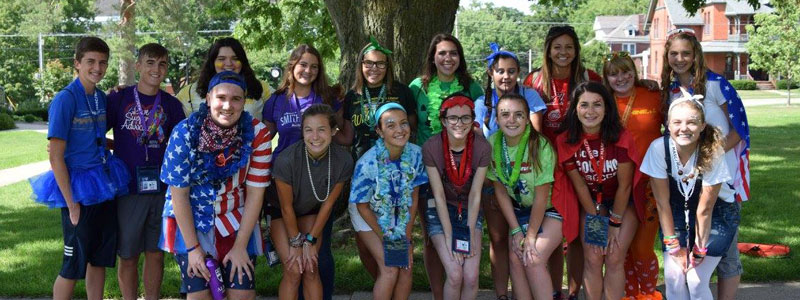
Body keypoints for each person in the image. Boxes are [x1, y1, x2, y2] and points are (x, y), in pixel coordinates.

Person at [30, 36, 130, 300]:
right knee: (73, 265)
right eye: (90, 62)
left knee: (99, 259)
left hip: (104, 184)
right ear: (77, 63)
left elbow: (96, 138)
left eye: (102, 62)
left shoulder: (100, 97)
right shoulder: (65, 99)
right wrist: (71, 204)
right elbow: (56, 157)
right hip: (77, 190)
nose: (97, 68)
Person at [159, 71, 272, 300]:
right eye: (221, 97)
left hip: (236, 219)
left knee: (242, 295)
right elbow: (179, 196)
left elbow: (255, 194)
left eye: (236, 99)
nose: (228, 106)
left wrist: (240, 247)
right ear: (208, 98)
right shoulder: (184, 132)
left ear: (244, 101)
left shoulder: (258, 133)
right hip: (191, 221)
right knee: (200, 296)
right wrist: (193, 249)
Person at [660, 28, 750, 300]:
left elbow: (739, 130)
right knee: (695, 248)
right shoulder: (670, 91)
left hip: (722, 176)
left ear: (696, 55)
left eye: (686, 53)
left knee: (726, 252)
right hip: (686, 180)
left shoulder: (716, 84)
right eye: (674, 53)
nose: (680, 59)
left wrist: (709, 158)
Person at [522, 26, 601, 299]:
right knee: (553, 233)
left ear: (576, 50)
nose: (563, 52)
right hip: (547, 168)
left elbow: (612, 99)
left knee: (577, 234)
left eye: (569, 47)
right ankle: (555, 291)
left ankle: (575, 292)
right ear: (548, 50)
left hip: (584, 164)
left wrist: (644, 84)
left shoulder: (589, 78)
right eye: (557, 47)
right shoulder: (533, 81)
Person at [262, 44, 346, 300]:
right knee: (293, 265)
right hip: (283, 182)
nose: (308, 70)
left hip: (317, 185)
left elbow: (340, 134)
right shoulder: (276, 100)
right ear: (292, 66)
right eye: (303, 65)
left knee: (314, 262)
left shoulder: (327, 98)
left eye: (314, 66)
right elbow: (264, 140)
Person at [640, 90, 739, 300]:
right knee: (674, 278)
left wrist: (699, 249)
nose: (683, 128)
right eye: (677, 122)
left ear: (702, 126)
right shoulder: (658, 149)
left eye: (692, 122)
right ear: (668, 125)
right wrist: (673, 246)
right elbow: (662, 202)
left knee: (695, 279)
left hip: (717, 214)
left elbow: (705, 209)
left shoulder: (712, 152)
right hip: (677, 210)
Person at [106, 43, 185, 300]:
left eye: (162, 64)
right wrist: (117, 147)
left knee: (155, 252)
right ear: (138, 65)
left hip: (161, 189)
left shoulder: (172, 105)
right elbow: (94, 135)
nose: (156, 69)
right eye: (150, 62)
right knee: (128, 254)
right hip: (128, 188)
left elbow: (180, 145)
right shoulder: (119, 98)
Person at [553, 82, 646, 300]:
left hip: (622, 202)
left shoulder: (621, 137)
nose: (590, 111)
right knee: (594, 257)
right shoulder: (565, 140)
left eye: (597, 104)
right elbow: (579, 186)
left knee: (614, 256)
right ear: (575, 109)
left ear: (606, 108)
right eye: (584, 105)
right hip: (592, 203)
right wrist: (597, 223)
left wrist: (614, 224)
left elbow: (625, 186)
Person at [408, 33, 482, 300]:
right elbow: (411, 126)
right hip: (427, 167)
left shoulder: (472, 87)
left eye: (453, 53)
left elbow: (479, 125)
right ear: (433, 57)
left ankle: (459, 281)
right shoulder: (418, 86)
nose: (448, 58)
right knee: (431, 236)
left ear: (460, 57)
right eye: (442, 53)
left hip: (464, 171)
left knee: (461, 222)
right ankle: (439, 294)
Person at [474, 42, 546, 299]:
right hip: (494, 180)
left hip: (526, 178)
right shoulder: (481, 103)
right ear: (490, 73)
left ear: (518, 72)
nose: (506, 76)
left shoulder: (530, 96)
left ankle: (524, 292)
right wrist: (493, 181)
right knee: (499, 239)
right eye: (500, 71)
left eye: (512, 71)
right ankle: (501, 294)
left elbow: (535, 134)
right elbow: (478, 141)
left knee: (528, 238)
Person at [342, 37, 417, 279]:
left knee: (395, 228)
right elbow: (347, 135)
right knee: (365, 240)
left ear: (388, 66)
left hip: (396, 172)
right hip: (363, 172)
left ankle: (391, 278)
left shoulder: (401, 92)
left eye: (380, 64)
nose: (374, 68)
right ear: (360, 65)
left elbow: (410, 128)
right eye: (368, 63)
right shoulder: (352, 96)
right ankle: (383, 281)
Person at [270, 104, 353, 299]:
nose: (315, 136)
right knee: (293, 268)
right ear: (302, 132)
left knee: (310, 266)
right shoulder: (286, 160)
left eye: (321, 129)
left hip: (311, 210)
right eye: (308, 130)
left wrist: (310, 240)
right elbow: (286, 207)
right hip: (281, 211)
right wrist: (296, 243)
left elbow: (328, 204)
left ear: (333, 131)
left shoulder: (343, 160)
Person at [601, 51, 665, 300]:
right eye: (613, 73)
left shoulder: (653, 95)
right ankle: (628, 295)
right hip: (616, 186)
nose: (621, 78)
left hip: (649, 183)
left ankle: (648, 294)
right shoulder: (602, 101)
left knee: (641, 247)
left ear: (634, 72)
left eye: (626, 71)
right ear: (606, 77)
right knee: (620, 249)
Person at [349, 103, 428, 300]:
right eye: (391, 125)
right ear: (379, 131)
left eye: (404, 123)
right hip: (367, 212)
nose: (399, 130)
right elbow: (362, 206)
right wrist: (386, 238)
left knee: (405, 265)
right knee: (390, 267)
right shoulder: (367, 164)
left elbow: (414, 196)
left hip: (398, 210)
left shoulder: (416, 155)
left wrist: (406, 237)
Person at [487, 93, 557, 300]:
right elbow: (500, 190)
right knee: (515, 257)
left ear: (527, 119)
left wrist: (531, 236)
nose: (512, 120)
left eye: (518, 115)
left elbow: (541, 197)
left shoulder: (540, 146)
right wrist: (517, 231)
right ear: (496, 119)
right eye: (505, 114)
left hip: (550, 210)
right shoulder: (493, 144)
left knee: (532, 256)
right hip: (520, 212)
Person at [422, 95, 490, 299]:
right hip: (439, 208)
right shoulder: (431, 147)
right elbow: (439, 195)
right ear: (443, 121)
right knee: (454, 274)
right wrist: (450, 235)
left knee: (471, 276)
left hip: (469, 210)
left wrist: (468, 234)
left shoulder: (482, 147)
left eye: (465, 118)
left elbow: (476, 194)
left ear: (473, 119)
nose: (459, 123)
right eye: (453, 118)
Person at [176, 37, 271, 121]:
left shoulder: (262, 89)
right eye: (221, 59)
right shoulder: (189, 93)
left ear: (242, 61)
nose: (229, 63)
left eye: (235, 58)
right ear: (212, 62)